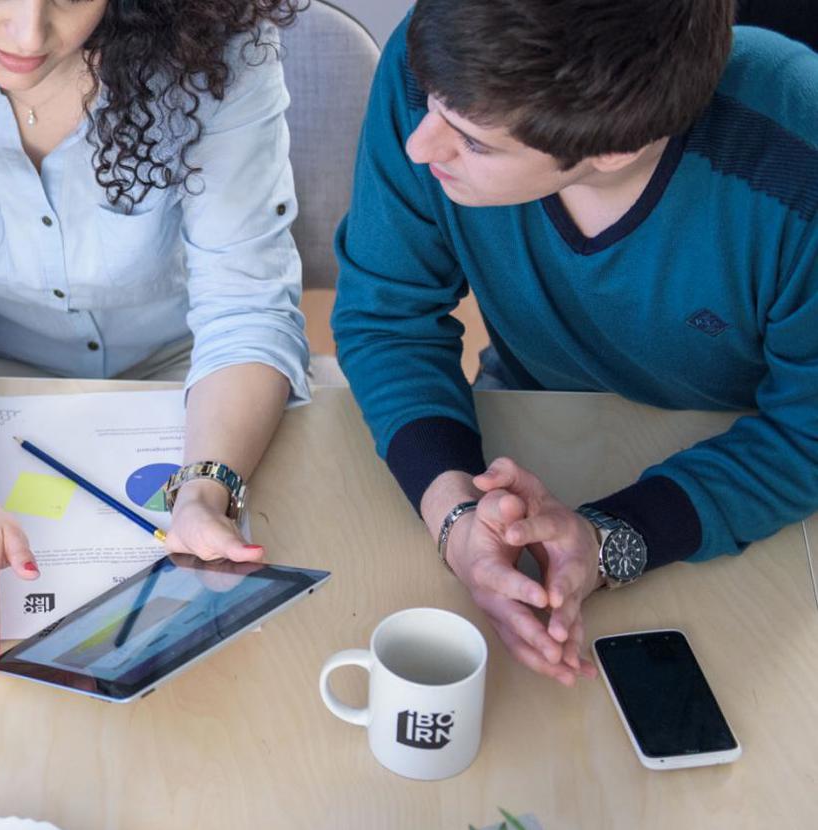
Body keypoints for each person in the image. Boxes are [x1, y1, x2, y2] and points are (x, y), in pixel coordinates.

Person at [0, 0, 311, 684]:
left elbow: (246, 306)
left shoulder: (215, 43)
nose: (27, 34)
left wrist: (205, 490)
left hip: (193, 379)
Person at [333, 0, 818, 684]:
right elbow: (388, 318)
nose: (420, 144)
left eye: (471, 140)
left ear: (613, 149)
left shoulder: (801, 160)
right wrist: (457, 520)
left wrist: (608, 539)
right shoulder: (443, 60)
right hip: (529, 414)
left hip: (744, 458)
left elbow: (808, 432)